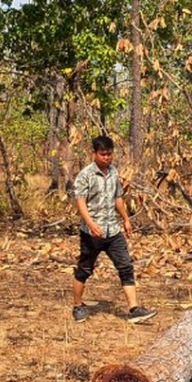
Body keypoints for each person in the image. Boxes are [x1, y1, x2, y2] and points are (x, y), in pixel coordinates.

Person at [70, 135, 156, 323]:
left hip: (113, 231)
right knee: (85, 269)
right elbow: (81, 203)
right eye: (103, 154)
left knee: (125, 266)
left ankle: (134, 309)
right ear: (94, 153)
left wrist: (125, 220)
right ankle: (77, 305)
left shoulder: (113, 172)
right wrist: (91, 224)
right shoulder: (86, 175)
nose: (107, 158)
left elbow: (117, 198)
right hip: (91, 233)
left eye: (109, 154)